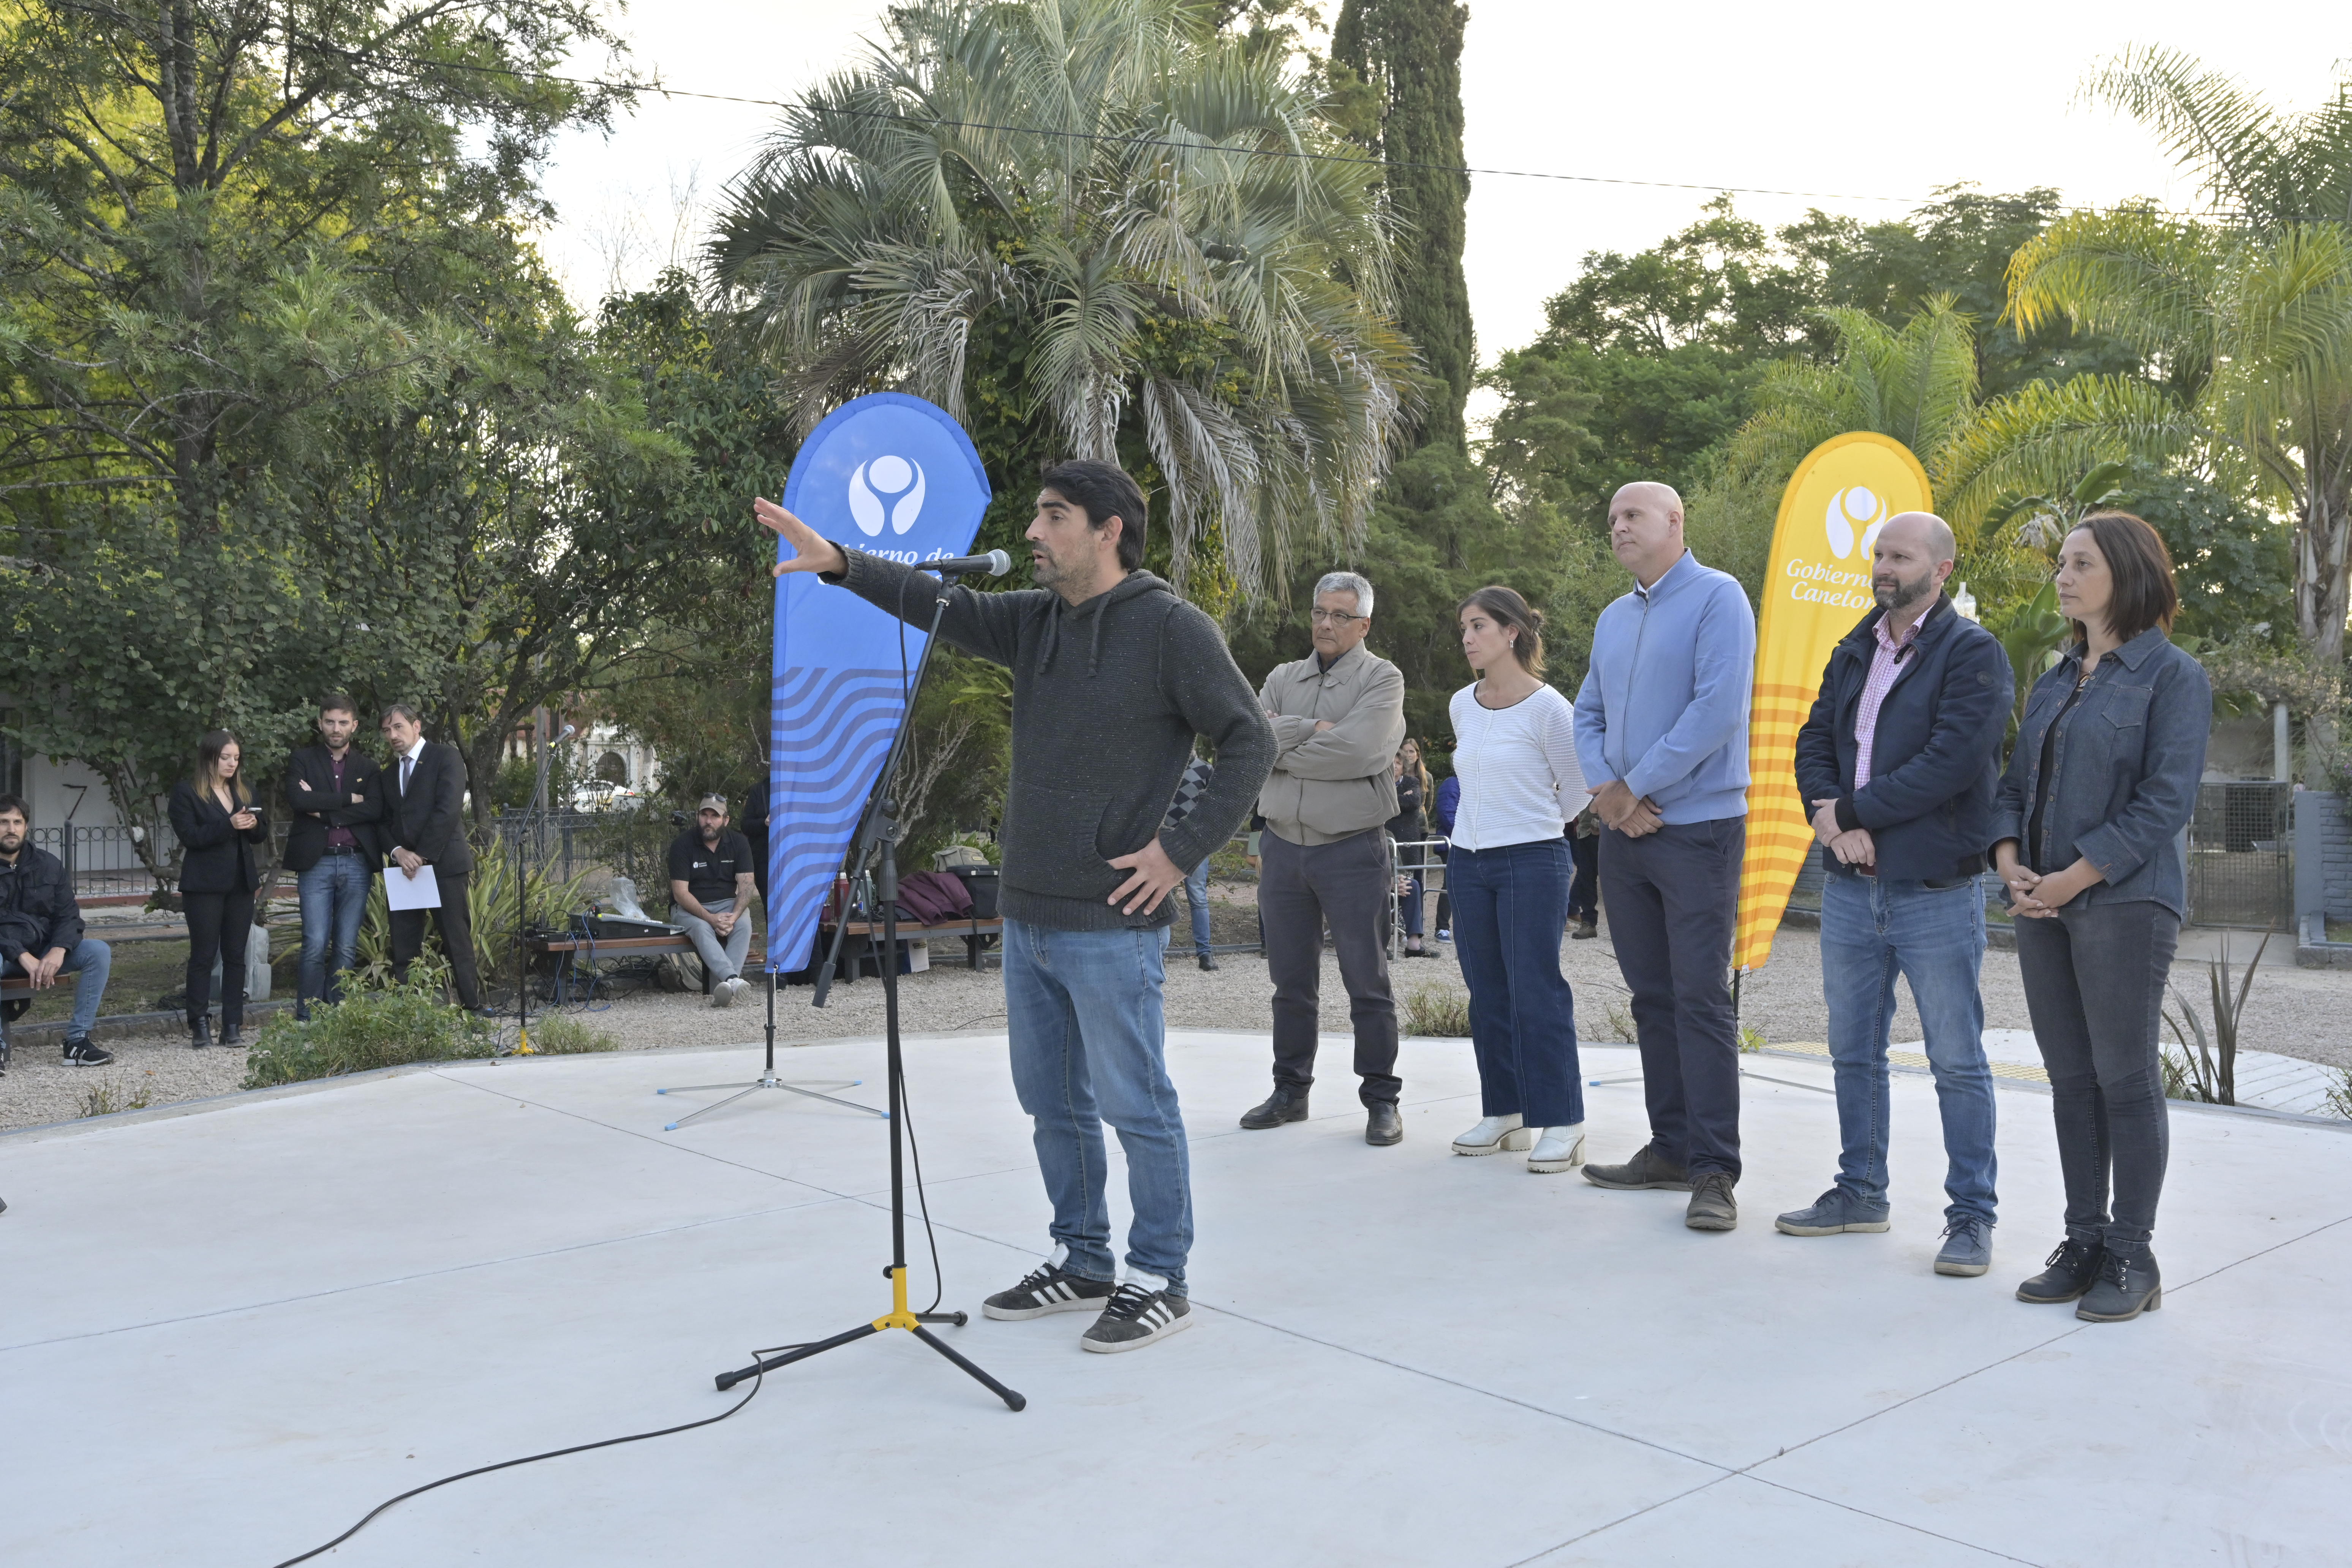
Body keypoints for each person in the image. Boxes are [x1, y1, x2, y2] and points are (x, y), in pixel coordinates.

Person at [757, 458, 1273, 1354]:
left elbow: (1248, 738)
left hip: (1110, 922)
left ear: (1108, 529)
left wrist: (1178, 851)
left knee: (1134, 1102)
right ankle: (1083, 1257)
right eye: (1036, 514)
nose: (1032, 532)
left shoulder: (1170, 628)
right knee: (1051, 1104)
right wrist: (840, 558)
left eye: (1053, 515)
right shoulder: (1034, 621)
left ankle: (1160, 1273)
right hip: (1028, 916)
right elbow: (932, 602)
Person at [1781, 512, 2014, 1277]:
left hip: (1934, 893)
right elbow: (1815, 740)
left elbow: (1951, 762)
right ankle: (1860, 1193)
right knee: (1853, 1051)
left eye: (1901, 556)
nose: (1884, 566)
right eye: (1879, 553)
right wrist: (1829, 819)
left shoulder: (1974, 655)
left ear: (1941, 569)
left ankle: (1972, 1218)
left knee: (1956, 1058)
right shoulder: (1857, 646)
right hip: (1852, 889)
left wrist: (1853, 813)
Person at [1993, 511, 2208, 1325]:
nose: (2063, 575)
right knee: (2070, 1077)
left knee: (2123, 1077)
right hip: (2041, 902)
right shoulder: (2055, 679)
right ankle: (2082, 1242)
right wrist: (2012, 864)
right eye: (2061, 563)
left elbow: (2166, 801)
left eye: (2080, 562)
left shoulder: (2172, 677)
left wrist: (2076, 876)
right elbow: (2014, 785)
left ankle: (2132, 1253)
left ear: (2127, 572)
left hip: (2123, 900)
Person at [1572, 481, 1756, 1231]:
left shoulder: (1720, 599)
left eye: (1633, 516)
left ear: (1676, 523)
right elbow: (1587, 713)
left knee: (1701, 998)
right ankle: (1672, 1146)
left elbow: (1716, 710)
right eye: (1612, 516)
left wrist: (1633, 788)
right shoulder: (1615, 617)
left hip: (1698, 830)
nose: (1618, 526)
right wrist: (1608, 796)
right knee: (1651, 998)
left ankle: (1715, 1170)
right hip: (1627, 836)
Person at [1244, 570, 1409, 1146]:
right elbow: (1249, 740)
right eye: (1320, 612)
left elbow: (1361, 749)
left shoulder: (1383, 680)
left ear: (1364, 625)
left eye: (1341, 616)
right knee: (1290, 982)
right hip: (1284, 848)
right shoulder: (1283, 676)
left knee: (1367, 980)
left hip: (1351, 848)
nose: (1326, 624)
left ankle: (1382, 1099)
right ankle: (1290, 1091)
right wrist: (1313, 730)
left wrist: (1284, 745)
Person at [1445, 587, 1592, 1172]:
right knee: (1487, 993)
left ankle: (1563, 1121)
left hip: (1532, 859)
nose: (1467, 637)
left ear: (1512, 633)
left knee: (1537, 990)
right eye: (1463, 627)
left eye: (1478, 625)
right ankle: (1504, 1111)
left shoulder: (1551, 708)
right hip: (1467, 862)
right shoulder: (1462, 703)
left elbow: (1580, 786)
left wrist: (1535, 827)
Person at [379, 705, 487, 1013]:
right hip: (403, 869)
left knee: (457, 940)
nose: (393, 736)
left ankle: (474, 1007)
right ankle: (408, 1013)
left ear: (417, 725)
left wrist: (421, 856)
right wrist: (399, 853)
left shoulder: (445, 757)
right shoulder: (388, 776)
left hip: (444, 864)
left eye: (398, 727)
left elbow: (448, 810)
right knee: (404, 943)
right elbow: (382, 823)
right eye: (387, 731)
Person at [283, 694, 385, 1018]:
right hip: (317, 863)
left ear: (354, 725)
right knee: (314, 943)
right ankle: (307, 1017)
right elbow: (298, 800)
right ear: (320, 723)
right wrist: (347, 799)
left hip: (356, 863)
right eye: (330, 721)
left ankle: (335, 1016)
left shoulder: (368, 767)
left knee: (345, 946)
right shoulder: (302, 759)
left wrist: (324, 809)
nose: (336, 728)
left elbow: (374, 808)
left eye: (343, 722)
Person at [168, 730, 269, 1048]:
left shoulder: (244, 790)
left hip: (241, 883)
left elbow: (260, 835)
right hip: (204, 885)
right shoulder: (187, 792)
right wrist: (229, 825)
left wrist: (254, 826)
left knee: (236, 956)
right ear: (210, 757)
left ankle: (232, 1024)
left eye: (236, 758)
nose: (231, 763)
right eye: (225, 757)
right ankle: (199, 1023)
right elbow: (191, 836)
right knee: (204, 954)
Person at [0, 793, 115, 1067]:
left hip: (44, 952)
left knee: (98, 952)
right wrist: (20, 955)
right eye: (4, 822)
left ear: (26, 826)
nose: (11, 829)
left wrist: (59, 950)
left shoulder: (48, 864)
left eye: (18, 822)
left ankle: (78, 1044)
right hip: (5, 956)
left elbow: (69, 916)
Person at [669, 794, 758, 1007]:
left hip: (727, 905)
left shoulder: (738, 843)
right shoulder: (682, 845)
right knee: (701, 929)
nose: (708, 821)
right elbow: (681, 893)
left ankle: (727, 987)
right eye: (704, 815)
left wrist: (734, 917)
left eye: (715, 816)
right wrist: (711, 919)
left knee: (744, 924)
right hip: (689, 909)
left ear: (725, 820)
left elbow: (746, 887)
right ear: (698, 817)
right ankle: (732, 979)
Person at [1164, 754, 1219, 971]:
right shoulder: (1163, 765)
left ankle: (1205, 954)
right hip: (1163, 840)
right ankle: (1158, 952)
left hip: (1195, 842)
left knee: (1198, 897)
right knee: (1160, 896)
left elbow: (1213, 806)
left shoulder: (1205, 769)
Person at [1390, 739, 1432, 958]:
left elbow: (1415, 802)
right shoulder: (1378, 784)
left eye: (1398, 763)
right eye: (1392, 763)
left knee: (1411, 885)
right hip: (1384, 848)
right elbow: (1380, 804)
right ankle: (1384, 938)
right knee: (1395, 888)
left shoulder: (1412, 782)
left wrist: (1394, 802)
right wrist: (1399, 801)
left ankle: (1412, 942)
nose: (1396, 766)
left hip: (1407, 846)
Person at [1566, 806, 1601, 939]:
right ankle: (1589, 923)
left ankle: (1624, 925)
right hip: (1587, 831)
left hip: (1613, 830)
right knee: (1586, 877)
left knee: (1617, 880)